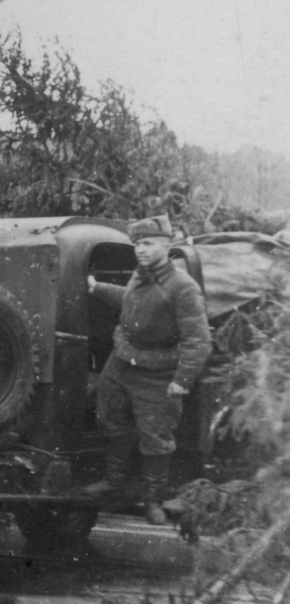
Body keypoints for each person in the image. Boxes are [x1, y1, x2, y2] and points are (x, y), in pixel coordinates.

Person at [83, 215, 211, 524]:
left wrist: (182, 380)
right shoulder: (140, 276)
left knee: (155, 436)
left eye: (149, 243)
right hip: (122, 360)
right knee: (112, 419)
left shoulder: (183, 287)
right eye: (137, 244)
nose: (140, 249)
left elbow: (198, 339)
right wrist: (97, 288)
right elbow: (130, 302)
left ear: (166, 246)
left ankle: (153, 499)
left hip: (157, 371)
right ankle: (114, 483)